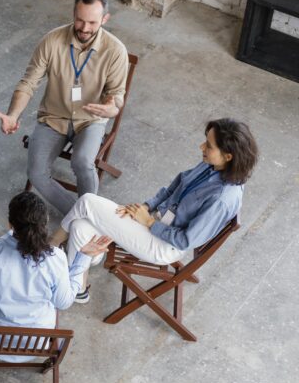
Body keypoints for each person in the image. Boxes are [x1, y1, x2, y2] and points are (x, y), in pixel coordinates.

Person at [51, 118, 259, 303]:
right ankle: (79, 289)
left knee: (87, 201)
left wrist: (149, 222)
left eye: (209, 145)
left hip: (163, 244)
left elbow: (186, 240)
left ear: (228, 156)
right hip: (154, 220)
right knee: (79, 226)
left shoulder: (222, 199)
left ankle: (47, 248)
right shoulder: (212, 165)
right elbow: (175, 187)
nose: (201, 146)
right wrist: (147, 207)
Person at [0, 0, 128, 216]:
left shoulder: (116, 51)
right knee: (36, 173)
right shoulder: (51, 41)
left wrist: (110, 108)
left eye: (92, 22)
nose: (84, 28)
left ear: (105, 19)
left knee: (83, 163)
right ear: (73, 13)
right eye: (79, 20)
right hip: (53, 117)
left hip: (90, 120)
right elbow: (28, 83)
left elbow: (116, 96)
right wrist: (13, 114)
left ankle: (86, 216)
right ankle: (81, 216)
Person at [0, 192, 111, 361]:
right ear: (44, 223)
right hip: (35, 343)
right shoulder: (56, 258)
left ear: (10, 224)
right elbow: (63, 302)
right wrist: (83, 258)